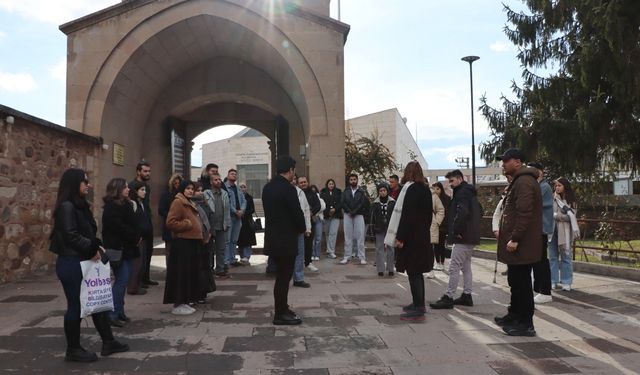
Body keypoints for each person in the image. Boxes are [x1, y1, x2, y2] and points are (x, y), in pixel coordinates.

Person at [49, 168, 128, 362]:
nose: (88, 185)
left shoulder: (79, 205)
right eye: (85, 181)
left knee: (97, 303)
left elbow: (87, 233)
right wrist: (92, 248)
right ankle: (73, 349)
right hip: (72, 263)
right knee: (76, 306)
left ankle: (108, 341)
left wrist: (96, 245)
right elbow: (71, 235)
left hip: (84, 260)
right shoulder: (67, 206)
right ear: (74, 184)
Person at [494, 148, 543, 337]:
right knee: (515, 281)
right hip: (518, 245)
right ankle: (514, 315)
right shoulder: (519, 181)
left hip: (523, 244)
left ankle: (526, 324)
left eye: (506, 161)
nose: (503, 164)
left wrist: (515, 238)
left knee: (522, 284)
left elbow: (524, 213)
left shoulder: (524, 182)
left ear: (517, 162)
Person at [384, 162, 432, 321]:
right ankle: (418, 303)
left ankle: (419, 308)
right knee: (416, 272)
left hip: (412, 238)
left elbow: (407, 215)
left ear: (407, 173)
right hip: (422, 236)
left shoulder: (411, 189)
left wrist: (400, 237)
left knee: (414, 272)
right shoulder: (425, 189)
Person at [262, 156, 306, 325]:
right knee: (283, 278)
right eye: (293, 170)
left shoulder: (267, 188)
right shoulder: (288, 189)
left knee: (281, 277)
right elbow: (297, 213)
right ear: (290, 170)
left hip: (273, 239)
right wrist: (302, 228)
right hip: (286, 240)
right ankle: (280, 314)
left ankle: (283, 308)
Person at [430, 169, 481, 309]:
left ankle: (449, 296)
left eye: (452, 181)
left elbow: (462, 212)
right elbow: (479, 211)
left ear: (459, 179)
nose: (450, 184)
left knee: (454, 267)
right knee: (465, 267)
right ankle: (467, 295)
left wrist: (457, 230)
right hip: (469, 234)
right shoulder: (468, 192)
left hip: (463, 236)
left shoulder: (463, 192)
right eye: (449, 181)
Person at [102, 178, 141, 327]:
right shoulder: (112, 207)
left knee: (123, 281)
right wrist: (133, 236)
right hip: (119, 248)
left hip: (128, 248)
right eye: (125, 187)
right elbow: (118, 227)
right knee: (121, 280)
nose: (128, 189)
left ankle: (119, 311)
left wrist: (136, 236)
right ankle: (111, 313)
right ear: (117, 189)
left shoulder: (127, 204)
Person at [163, 180, 204, 315]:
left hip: (191, 242)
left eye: (192, 189)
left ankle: (185, 301)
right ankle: (178, 303)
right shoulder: (178, 202)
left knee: (188, 274)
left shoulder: (189, 202)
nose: (191, 191)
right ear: (182, 189)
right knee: (181, 274)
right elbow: (170, 222)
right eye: (188, 188)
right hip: (182, 243)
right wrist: (187, 224)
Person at [527, 162, 554, 303]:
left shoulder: (543, 187)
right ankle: (539, 289)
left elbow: (531, 203)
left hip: (541, 228)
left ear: (541, 172)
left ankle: (545, 291)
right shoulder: (538, 186)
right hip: (537, 229)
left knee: (541, 261)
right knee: (537, 260)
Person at [549, 177, 579, 291]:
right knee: (552, 257)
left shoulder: (571, 200)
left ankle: (566, 282)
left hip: (565, 232)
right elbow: (548, 212)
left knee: (566, 257)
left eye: (559, 185)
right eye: (556, 186)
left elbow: (571, 216)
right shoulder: (552, 198)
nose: (557, 187)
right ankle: (553, 280)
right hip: (552, 231)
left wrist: (557, 216)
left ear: (565, 186)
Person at [130, 161, 156, 286]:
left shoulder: (147, 186)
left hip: (147, 222)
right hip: (139, 224)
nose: (147, 173)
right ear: (138, 171)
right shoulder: (132, 185)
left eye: (149, 171)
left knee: (148, 251)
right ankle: (137, 280)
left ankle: (146, 277)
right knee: (140, 253)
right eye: (145, 171)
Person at [204, 173, 232, 278]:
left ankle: (220, 269)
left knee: (221, 249)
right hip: (210, 226)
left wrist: (228, 223)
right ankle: (209, 269)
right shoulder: (206, 193)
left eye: (219, 179)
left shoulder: (224, 193)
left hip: (222, 225)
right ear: (211, 182)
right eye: (216, 180)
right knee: (210, 249)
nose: (218, 181)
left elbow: (227, 210)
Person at [192, 182, 215, 303]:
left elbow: (212, 218)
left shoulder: (205, 204)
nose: (200, 192)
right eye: (198, 190)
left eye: (201, 190)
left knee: (206, 267)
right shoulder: (191, 205)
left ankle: (204, 292)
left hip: (208, 240)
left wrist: (210, 233)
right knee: (198, 268)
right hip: (197, 241)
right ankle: (197, 293)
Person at [128, 180, 151, 296]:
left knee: (142, 262)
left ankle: (137, 284)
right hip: (137, 238)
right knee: (136, 263)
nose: (144, 192)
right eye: (142, 190)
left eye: (145, 190)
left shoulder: (142, 203)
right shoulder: (133, 203)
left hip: (143, 236)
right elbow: (133, 222)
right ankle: (133, 286)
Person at [341, 173, 369, 265]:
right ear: (349, 181)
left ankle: (362, 257)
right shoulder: (345, 191)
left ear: (357, 180)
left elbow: (362, 203)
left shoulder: (361, 191)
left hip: (359, 214)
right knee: (348, 236)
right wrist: (349, 211)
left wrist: (355, 211)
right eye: (351, 179)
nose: (353, 181)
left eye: (354, 179)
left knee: (360, 236)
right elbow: (343, 202)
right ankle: (347, 256)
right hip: (347, 215)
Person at [371, 183, 395, 276]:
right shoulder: (375, 203)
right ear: (378, 192)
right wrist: (372, 230)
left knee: (391, 248)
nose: (382, 192)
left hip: (390, 229)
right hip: (379, 228)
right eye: (380, 191)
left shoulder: (393, 202)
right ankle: (380, 269)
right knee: (379, 248)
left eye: (384, 190)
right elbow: (372, 218)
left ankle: (390, 269)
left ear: (387, 191)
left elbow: (396, 216)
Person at [292, 175, 312, 287]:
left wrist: (307, 228)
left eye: (295, 179)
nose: (293, 181)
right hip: (287, 228)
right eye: (293, 179)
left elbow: (306, 211)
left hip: (299, 227)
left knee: (300, 253)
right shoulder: (284, 191)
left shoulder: (301, 193)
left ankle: (298, 278)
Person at [298, 176, 321, 272]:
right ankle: (298, 263)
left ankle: (308, 262)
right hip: (298, 222)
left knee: (308, 243)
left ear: (307, 182)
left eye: (305, 182)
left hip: (309, 222)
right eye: (301, 182)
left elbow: (318, 205)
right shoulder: (296, 193)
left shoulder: (312, 193)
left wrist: (311, 212)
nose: (303, 184)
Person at [225, 169, 246, 267]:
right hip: (229, 217)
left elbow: (244, 201)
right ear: (228, 175)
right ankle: (226, 260)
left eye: (235, 174)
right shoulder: (225, 187)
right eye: (232, 174)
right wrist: (235, 211)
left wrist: (241, 210)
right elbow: (227, 202)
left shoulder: (238, 188)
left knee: (234, 240)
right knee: (227, 240)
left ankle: (233, 259)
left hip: (238, 218)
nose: (234, 175)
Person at [158, 173, 182, 262]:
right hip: (169, 227)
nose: (177, 185)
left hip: (180, 227)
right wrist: (171, 216)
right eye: (175, 183)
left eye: (178, 183)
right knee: (169, 250)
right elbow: (161, 210)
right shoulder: (166, 194)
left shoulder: (182, 195)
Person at [426, 184, 445, 279]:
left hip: (430, 225)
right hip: (418, 226)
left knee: (429, 248)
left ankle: (430, 269)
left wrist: (436, 222)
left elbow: (441, 210)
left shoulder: (433, 195)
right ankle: (423, 268)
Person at [320, 179, 342, 259]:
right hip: (326, 215)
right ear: (327, 185)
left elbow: (341, 202)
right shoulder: (323, 192)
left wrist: (335, 209)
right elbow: (321, 203)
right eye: (330, 184)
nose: (331, 185)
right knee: (327, 233)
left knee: (333, 233)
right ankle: (329, 250)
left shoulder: (339, 192)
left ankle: (331, 251)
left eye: (332, 184)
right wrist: (328, 211)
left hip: (336, 215)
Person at [431, 182, 450, 271]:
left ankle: (442, 262)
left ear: (441, 189)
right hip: (434, 225)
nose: (436, 191)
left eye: (437, 189)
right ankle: (437, 262)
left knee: (441, 244)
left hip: (443, 225)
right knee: (435, 244)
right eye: (434, 189)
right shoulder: (432, 198)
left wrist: (440, 221)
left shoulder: (446, 199)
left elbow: (446, 212)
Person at [237, 182, 257, 265]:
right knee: (240, 240)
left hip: (247, 221)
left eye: (244, 187)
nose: (242, 188)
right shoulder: (237, 197)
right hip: (239, 221)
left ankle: (247, 256)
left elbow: (252, 209)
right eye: (241, 187)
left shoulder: (249, 197)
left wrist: (244, 213)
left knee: (248, 240)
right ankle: (242, 256)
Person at [310, 184, 325, 261]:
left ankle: (317, 254)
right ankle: (312, 254)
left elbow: (323, 207)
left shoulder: (320, 199)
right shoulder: (308, 197)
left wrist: (315, 211)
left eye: (314, 189)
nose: (313, 191)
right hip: (311, 218)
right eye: (311, 189)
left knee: (318, 237)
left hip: (318, 218)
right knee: (312, 237)